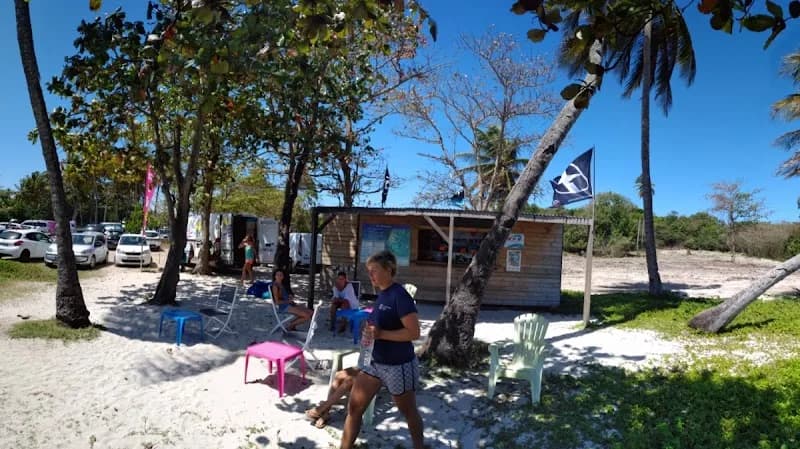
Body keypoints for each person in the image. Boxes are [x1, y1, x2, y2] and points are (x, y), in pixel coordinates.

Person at [340, 250, 424, 449]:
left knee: (409, 411)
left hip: (398, 365)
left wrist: (381, 334)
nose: (371, 275)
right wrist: (368, 331)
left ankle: (419, 446)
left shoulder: (399, 296)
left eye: (374, 270)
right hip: (374, 363)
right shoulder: (382, 294)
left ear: (389, 269)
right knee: (354, 408)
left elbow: (414, 333)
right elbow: (378, 325)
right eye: (369, 271)